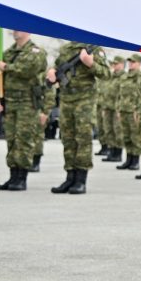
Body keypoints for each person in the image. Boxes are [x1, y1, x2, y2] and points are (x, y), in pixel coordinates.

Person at [49, 41, 110, 194]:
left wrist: (90, 63)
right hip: (66, 99)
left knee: (83, 139)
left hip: (85, 100)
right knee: (68, 138)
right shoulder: (65, 49)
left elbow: (106, 73)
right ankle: (70, 177)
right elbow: (57, 67)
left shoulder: (94, 48)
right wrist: (52, 72)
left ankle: (81, 179)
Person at [0, 30, 48, 191]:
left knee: (24, 139)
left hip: (27, 102)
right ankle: (13, 175)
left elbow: (28, 70)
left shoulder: (36, 52)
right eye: (14, 29)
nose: (15, 32)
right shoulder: (8, 53)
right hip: (10, 102)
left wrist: (6, 67)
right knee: (11, 139)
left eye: (18, 29)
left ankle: (21, 177)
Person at [114, 54, 141, 170]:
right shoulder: (124, 77)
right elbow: (119, 94)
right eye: (130, 62)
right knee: (126, 136)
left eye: (133, 62)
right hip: (124, 110)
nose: (131, 64)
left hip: (133, 111)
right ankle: (128, 159)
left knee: (135, 136)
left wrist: (138, 110)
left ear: (139, 63)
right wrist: (118, 109)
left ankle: (135, 160)